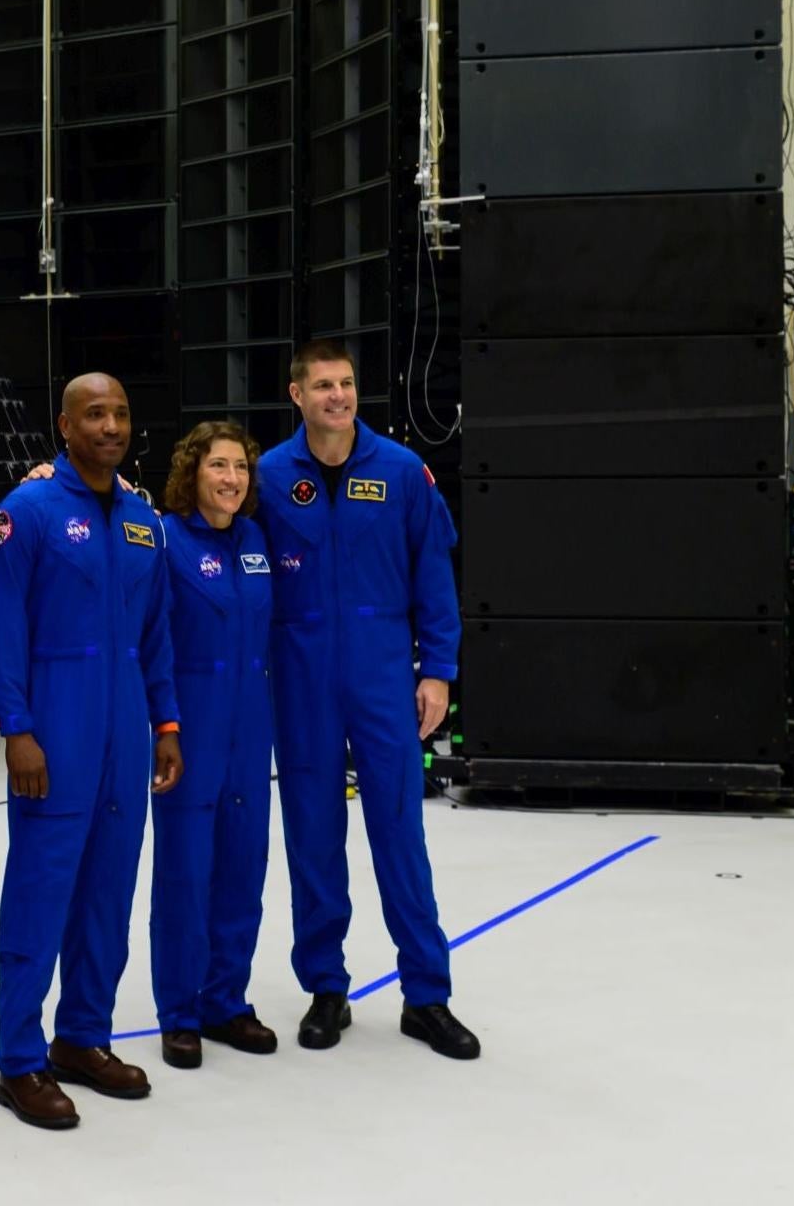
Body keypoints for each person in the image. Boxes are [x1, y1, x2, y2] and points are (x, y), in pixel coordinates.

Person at [255, 340, 480, 1059]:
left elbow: (434, 577)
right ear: (297, 395)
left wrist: (437, 669)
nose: (338, 396)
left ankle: (427, 993)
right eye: (323, 385)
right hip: (300, 679)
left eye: (346, 383)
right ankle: (326, 987)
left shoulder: (402, 471)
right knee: (313, 836)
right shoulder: (267, 476)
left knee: (399, 832)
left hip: (382, 677)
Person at [0, 373, 183, 1131]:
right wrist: (17, 728)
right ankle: (19, 1060)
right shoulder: (26, 512)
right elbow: (2, 627)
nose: (111, 425)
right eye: (94, 413)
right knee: (41, 890)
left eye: (120, 413)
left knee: (108, 890)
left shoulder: (143, 520)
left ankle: (83, 1037)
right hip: (55, 720)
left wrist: (166, 724)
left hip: (126, 722)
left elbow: (156, 633)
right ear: (64, 426)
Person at [150, 420, 278, 1070]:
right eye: (218, 465)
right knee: (185, 871)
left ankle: (226, 999)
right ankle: (178, 1011)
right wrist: (165, 725)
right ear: (192, 471)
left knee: (243, 867)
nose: (231, 478)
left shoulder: (255, 538)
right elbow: (153, 642)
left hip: (250, 730)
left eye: (241, 467)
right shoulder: (165, 540)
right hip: (191, 728)